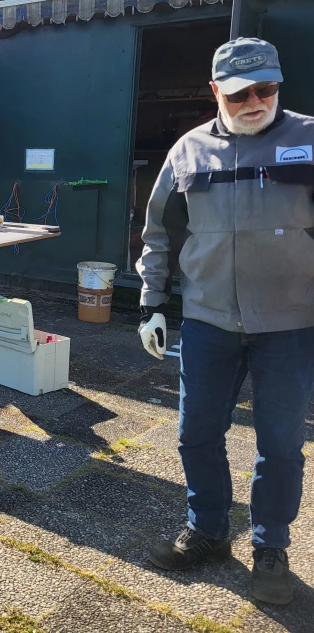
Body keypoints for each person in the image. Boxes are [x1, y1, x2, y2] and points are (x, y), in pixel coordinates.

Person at [137, 37, 314, 605]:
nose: (254, 102)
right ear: (216, 91)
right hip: (208, 320)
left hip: (290, 323)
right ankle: (209, 531)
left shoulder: (308, 139)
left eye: (266, 89)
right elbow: (160, 232)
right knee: (196, 434)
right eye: (239, 94)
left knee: (280, 444)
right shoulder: (188, 151)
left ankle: (270, 547)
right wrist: (151, 302)